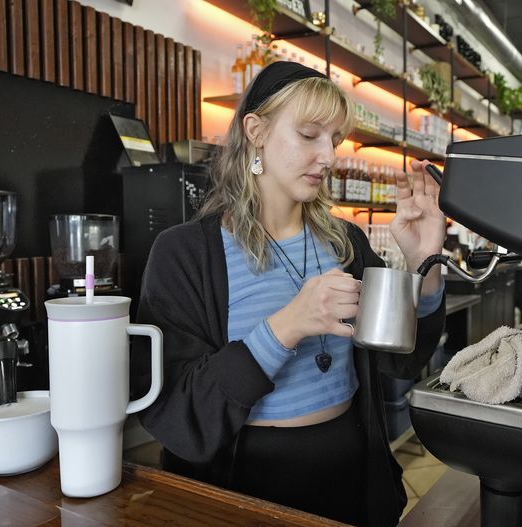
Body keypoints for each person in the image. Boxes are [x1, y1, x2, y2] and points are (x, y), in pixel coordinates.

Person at [131, 61, 446, 526]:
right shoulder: (185, 254)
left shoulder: (345, 241)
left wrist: (426, 265)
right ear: (255, 130)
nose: (329, 156)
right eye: (309, 134)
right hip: (246, 488)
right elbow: (179, 412)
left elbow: (401, 359)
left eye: (334, 139)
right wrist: (287, 326)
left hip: (353, 476)